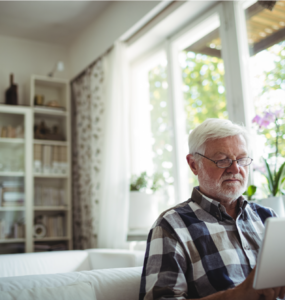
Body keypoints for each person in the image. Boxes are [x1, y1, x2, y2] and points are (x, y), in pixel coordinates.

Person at [139, 118, 285, 300]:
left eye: (241, 159)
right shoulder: (171, 226)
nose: (235, 168)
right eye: (222, 160)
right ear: (194, 165)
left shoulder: (268, 217)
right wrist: (237, 295)